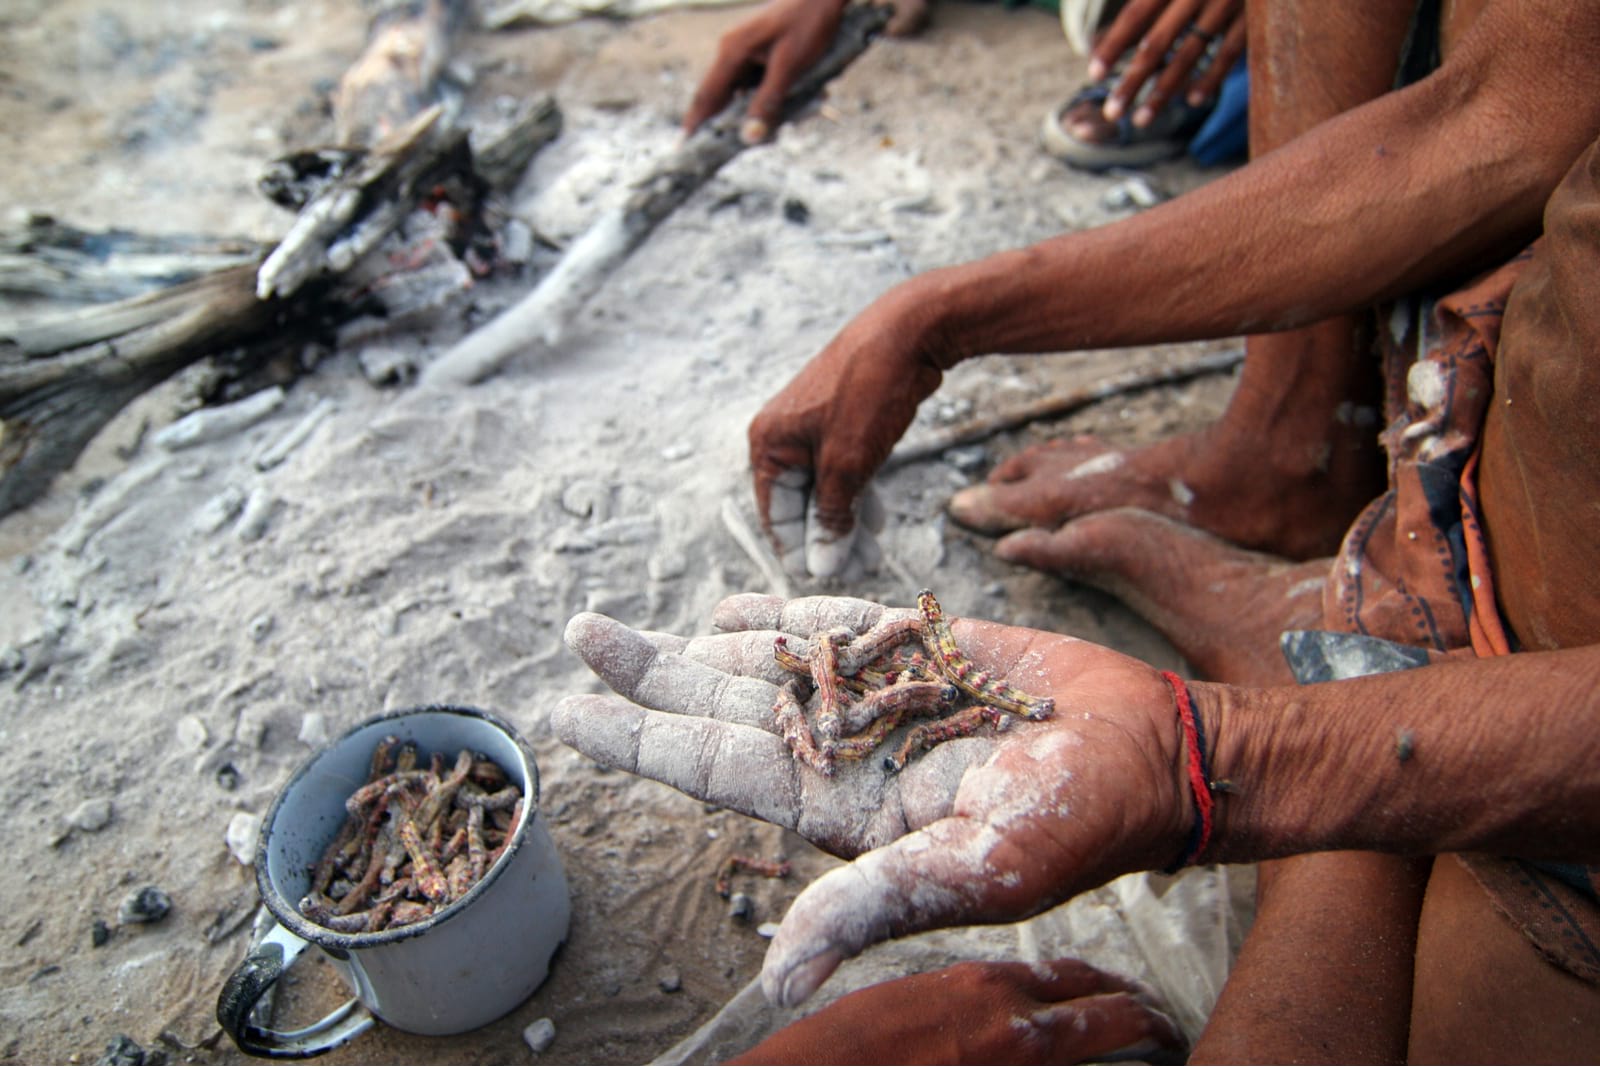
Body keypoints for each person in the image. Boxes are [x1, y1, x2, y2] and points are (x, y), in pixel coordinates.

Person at [552, 0, 1600, 1059]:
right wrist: (936, 313)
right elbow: (1501, 113)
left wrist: (1228, 756)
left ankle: (1361, 690)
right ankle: (1332, 556)